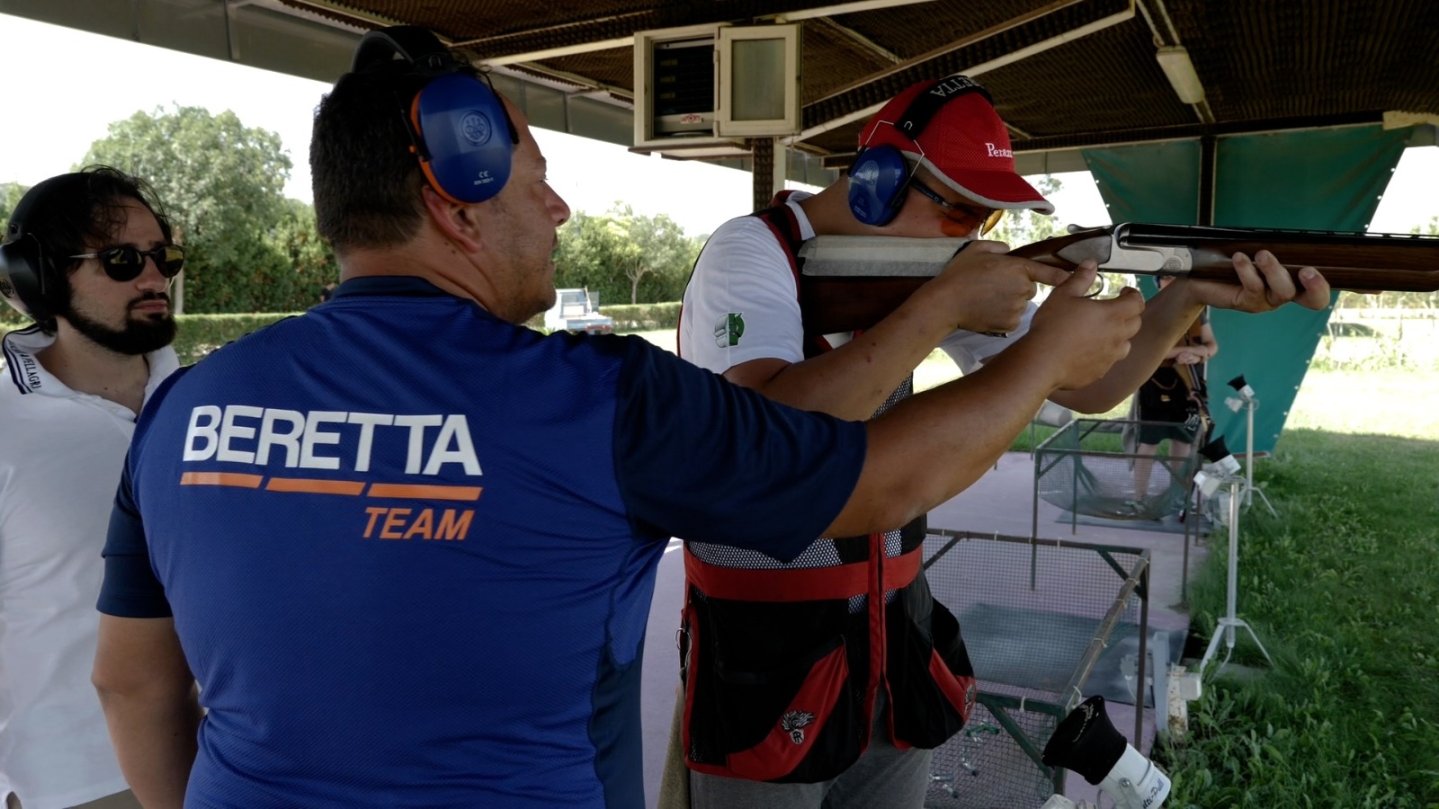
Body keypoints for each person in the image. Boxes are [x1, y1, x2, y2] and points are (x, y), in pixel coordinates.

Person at [87, 27, 1154, 809]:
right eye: (535, 181)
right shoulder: (599, 396)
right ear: (456, 201)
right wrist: (1043, 354)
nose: (557, 209)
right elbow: (877, 481)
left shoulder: (183, 405)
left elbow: (130, 682)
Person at [670, 74, 1329, 808]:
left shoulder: (928, 276)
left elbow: (1085, 390)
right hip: (762, 652)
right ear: (877, 181)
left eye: (986, 216)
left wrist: (1186, 296)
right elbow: (770, 433)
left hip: (898, 642)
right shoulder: (751, 250)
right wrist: (942, 305)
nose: (973, 235)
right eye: (959, 210)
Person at [0, 167, 182, 809]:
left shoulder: (208, 406)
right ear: (40, 277)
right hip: (77, 783)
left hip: (225, 763)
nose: (155, 278)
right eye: (122, 260)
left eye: (163, 257)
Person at [1131, 275, 1220, 507]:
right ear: (1159, 283)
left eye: (1176, 278)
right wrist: (1184, 353)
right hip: (1156, 388)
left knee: (1182, 443)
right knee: (1148, 444)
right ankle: (1139, 498)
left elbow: (1212, 345)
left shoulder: (1198, 312)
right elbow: (1147, 350)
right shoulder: (1150, 311)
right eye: (1166, 278)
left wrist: (1198, 354)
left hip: (1189, 389)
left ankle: (1176, 497)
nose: (1171, 283)